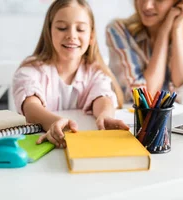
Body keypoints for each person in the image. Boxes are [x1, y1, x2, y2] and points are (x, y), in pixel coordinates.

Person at [12, 0, 129, 148]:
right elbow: (31, 107)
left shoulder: (95, 71)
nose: (71, 35)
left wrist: (105, 115)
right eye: (62, 28)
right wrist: (54, 122)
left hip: (82, 145)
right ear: (49, 32)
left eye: (80, 29)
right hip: (41, 146)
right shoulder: (30, 71)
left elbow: (102, 97)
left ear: (91, 36)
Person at [106, 0, 183, 104]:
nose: (147, 6)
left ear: (179, 3)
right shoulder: (119, 29)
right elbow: (143, 98)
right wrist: (164, 33)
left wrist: (177, 29)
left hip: (176, 118)